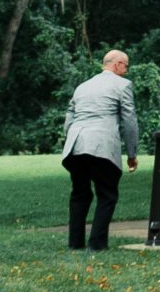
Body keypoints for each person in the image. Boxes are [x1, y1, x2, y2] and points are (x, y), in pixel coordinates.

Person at [59, 49, 139, 252]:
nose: (126, 71)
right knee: (107, 194)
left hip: (75, 145)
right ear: (118, 63)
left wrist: (69, 141)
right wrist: (132, 154)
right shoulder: (123, 85)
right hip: (101, 145)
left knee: (80, 193)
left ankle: (75, 243)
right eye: (126, 66)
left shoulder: (83, 86)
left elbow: (70, 117)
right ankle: (96, 244)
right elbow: (129, 121)